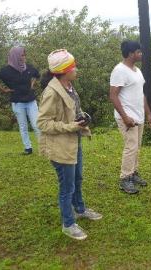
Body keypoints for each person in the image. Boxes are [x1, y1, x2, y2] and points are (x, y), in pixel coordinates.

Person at [37, 49, 102, 240]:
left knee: (78, 179)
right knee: (67, 187)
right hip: (60, 146)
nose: (76, 69)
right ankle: (68, 223)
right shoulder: (52, 92)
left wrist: (81, 119)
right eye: (73, 66)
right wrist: (70, 126)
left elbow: (73, 110)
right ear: (64, 70)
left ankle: (80, 209)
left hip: (73, 142)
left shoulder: (69, 86)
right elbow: (42, 123)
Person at [109, 40, 151, 195]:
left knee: (137, 146)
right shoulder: (119, 70)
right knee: (131, 146)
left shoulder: (137, 71)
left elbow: (141, 94)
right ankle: (125, 178)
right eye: (138, 52)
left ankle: (133, 174)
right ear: (130, 54)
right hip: (126, 117)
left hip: (139, 116)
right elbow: (113, 95)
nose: (141, 54)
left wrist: (148, 113)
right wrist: (125, 117)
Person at [0, 46, 41, 155]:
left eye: (24, 54)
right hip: (17, 102)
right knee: (23, 126)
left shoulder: (28, 68)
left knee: (36, 125)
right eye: (22, 55)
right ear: (15, 56)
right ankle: (28, 148)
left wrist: (32, 84)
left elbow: (37, 74)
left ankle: (43, 148)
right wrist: (3, 90)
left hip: (31, 101)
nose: (24, 57)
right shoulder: (5, 71)